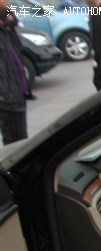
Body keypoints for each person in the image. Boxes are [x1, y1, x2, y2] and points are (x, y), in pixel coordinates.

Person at [0, 0, 30, 144]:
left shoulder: (4, 29)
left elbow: (13, 21)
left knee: (20, 136)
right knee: (14, 138)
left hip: (15, 90)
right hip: (8, 95)